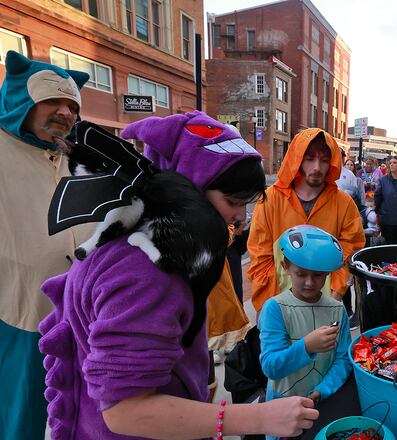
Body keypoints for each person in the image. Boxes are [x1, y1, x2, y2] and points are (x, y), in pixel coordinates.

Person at [38, 112, 318, 439]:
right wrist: (258, 418)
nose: (238, 217)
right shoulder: (146, 274)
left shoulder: (153, 244)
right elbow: (125, 409)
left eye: (246, 204)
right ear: (188, 189)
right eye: (232, 201)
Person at [0, 50, 91, 439]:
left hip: (81, 316)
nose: (65, 113)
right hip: (19, 316)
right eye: (53, 101)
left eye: (71, 106)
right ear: (23, 100)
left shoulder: (76, 159)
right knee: (23, 417)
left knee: (76, 413)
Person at [248, 128, 365, 312]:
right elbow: (260, 255)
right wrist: (269, 307)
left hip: (325, 306)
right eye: (310, 158)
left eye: (324, 160)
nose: (317, 167)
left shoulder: (344, 204)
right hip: (279, 305)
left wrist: (335, 294)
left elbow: (350, 249)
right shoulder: (271, 199)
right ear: (298, 159)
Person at [259, 226, 352, 433]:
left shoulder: (337, 309)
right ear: (286, 266)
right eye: (301, 274)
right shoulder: (275, 308)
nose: (310, 282)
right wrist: (307, 347)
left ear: (328, 274)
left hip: (322, 403)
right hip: (281, 405)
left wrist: (323, 390)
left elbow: (343, 359)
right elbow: (271, 367)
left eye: (318, 276)